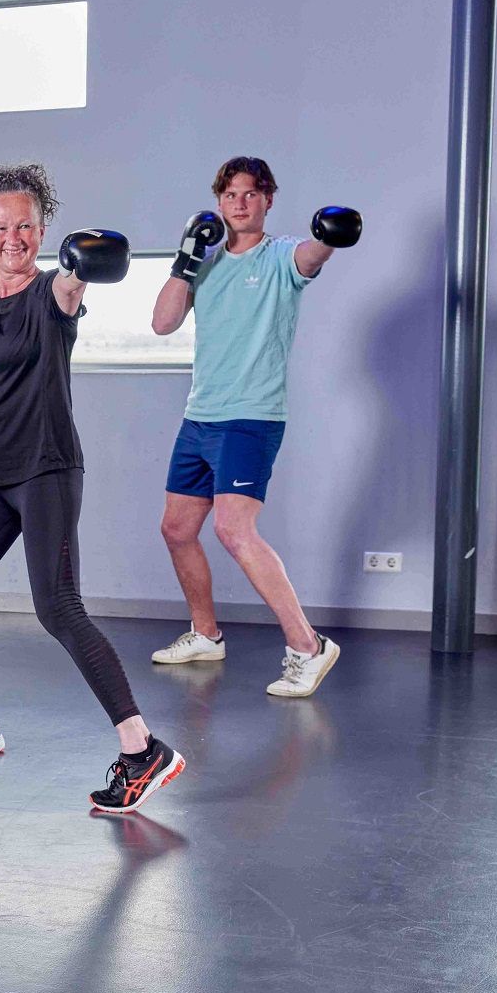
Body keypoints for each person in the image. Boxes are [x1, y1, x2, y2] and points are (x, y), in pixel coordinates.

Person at [0, 163, 186, 815]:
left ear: (41, 229)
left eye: (23, 225)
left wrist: (84, 261)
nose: (11, 237)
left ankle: (142, 749)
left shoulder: (54, 291)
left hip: (46, 471)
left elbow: (77, 282)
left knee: (58, 609)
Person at [149, 156, 361, 698]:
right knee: (177, 528)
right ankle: (205, 634)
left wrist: (327, 237)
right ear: (219, 203)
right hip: (200, 415)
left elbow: (312, 258)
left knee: (233, 529)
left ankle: (308, 646)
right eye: (230, 194)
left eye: (251, 193)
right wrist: (184, 258)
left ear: (268, 199)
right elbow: (163, 321)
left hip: (251, 417)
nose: (240, 202)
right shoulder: (206, 262)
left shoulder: (281, 256)